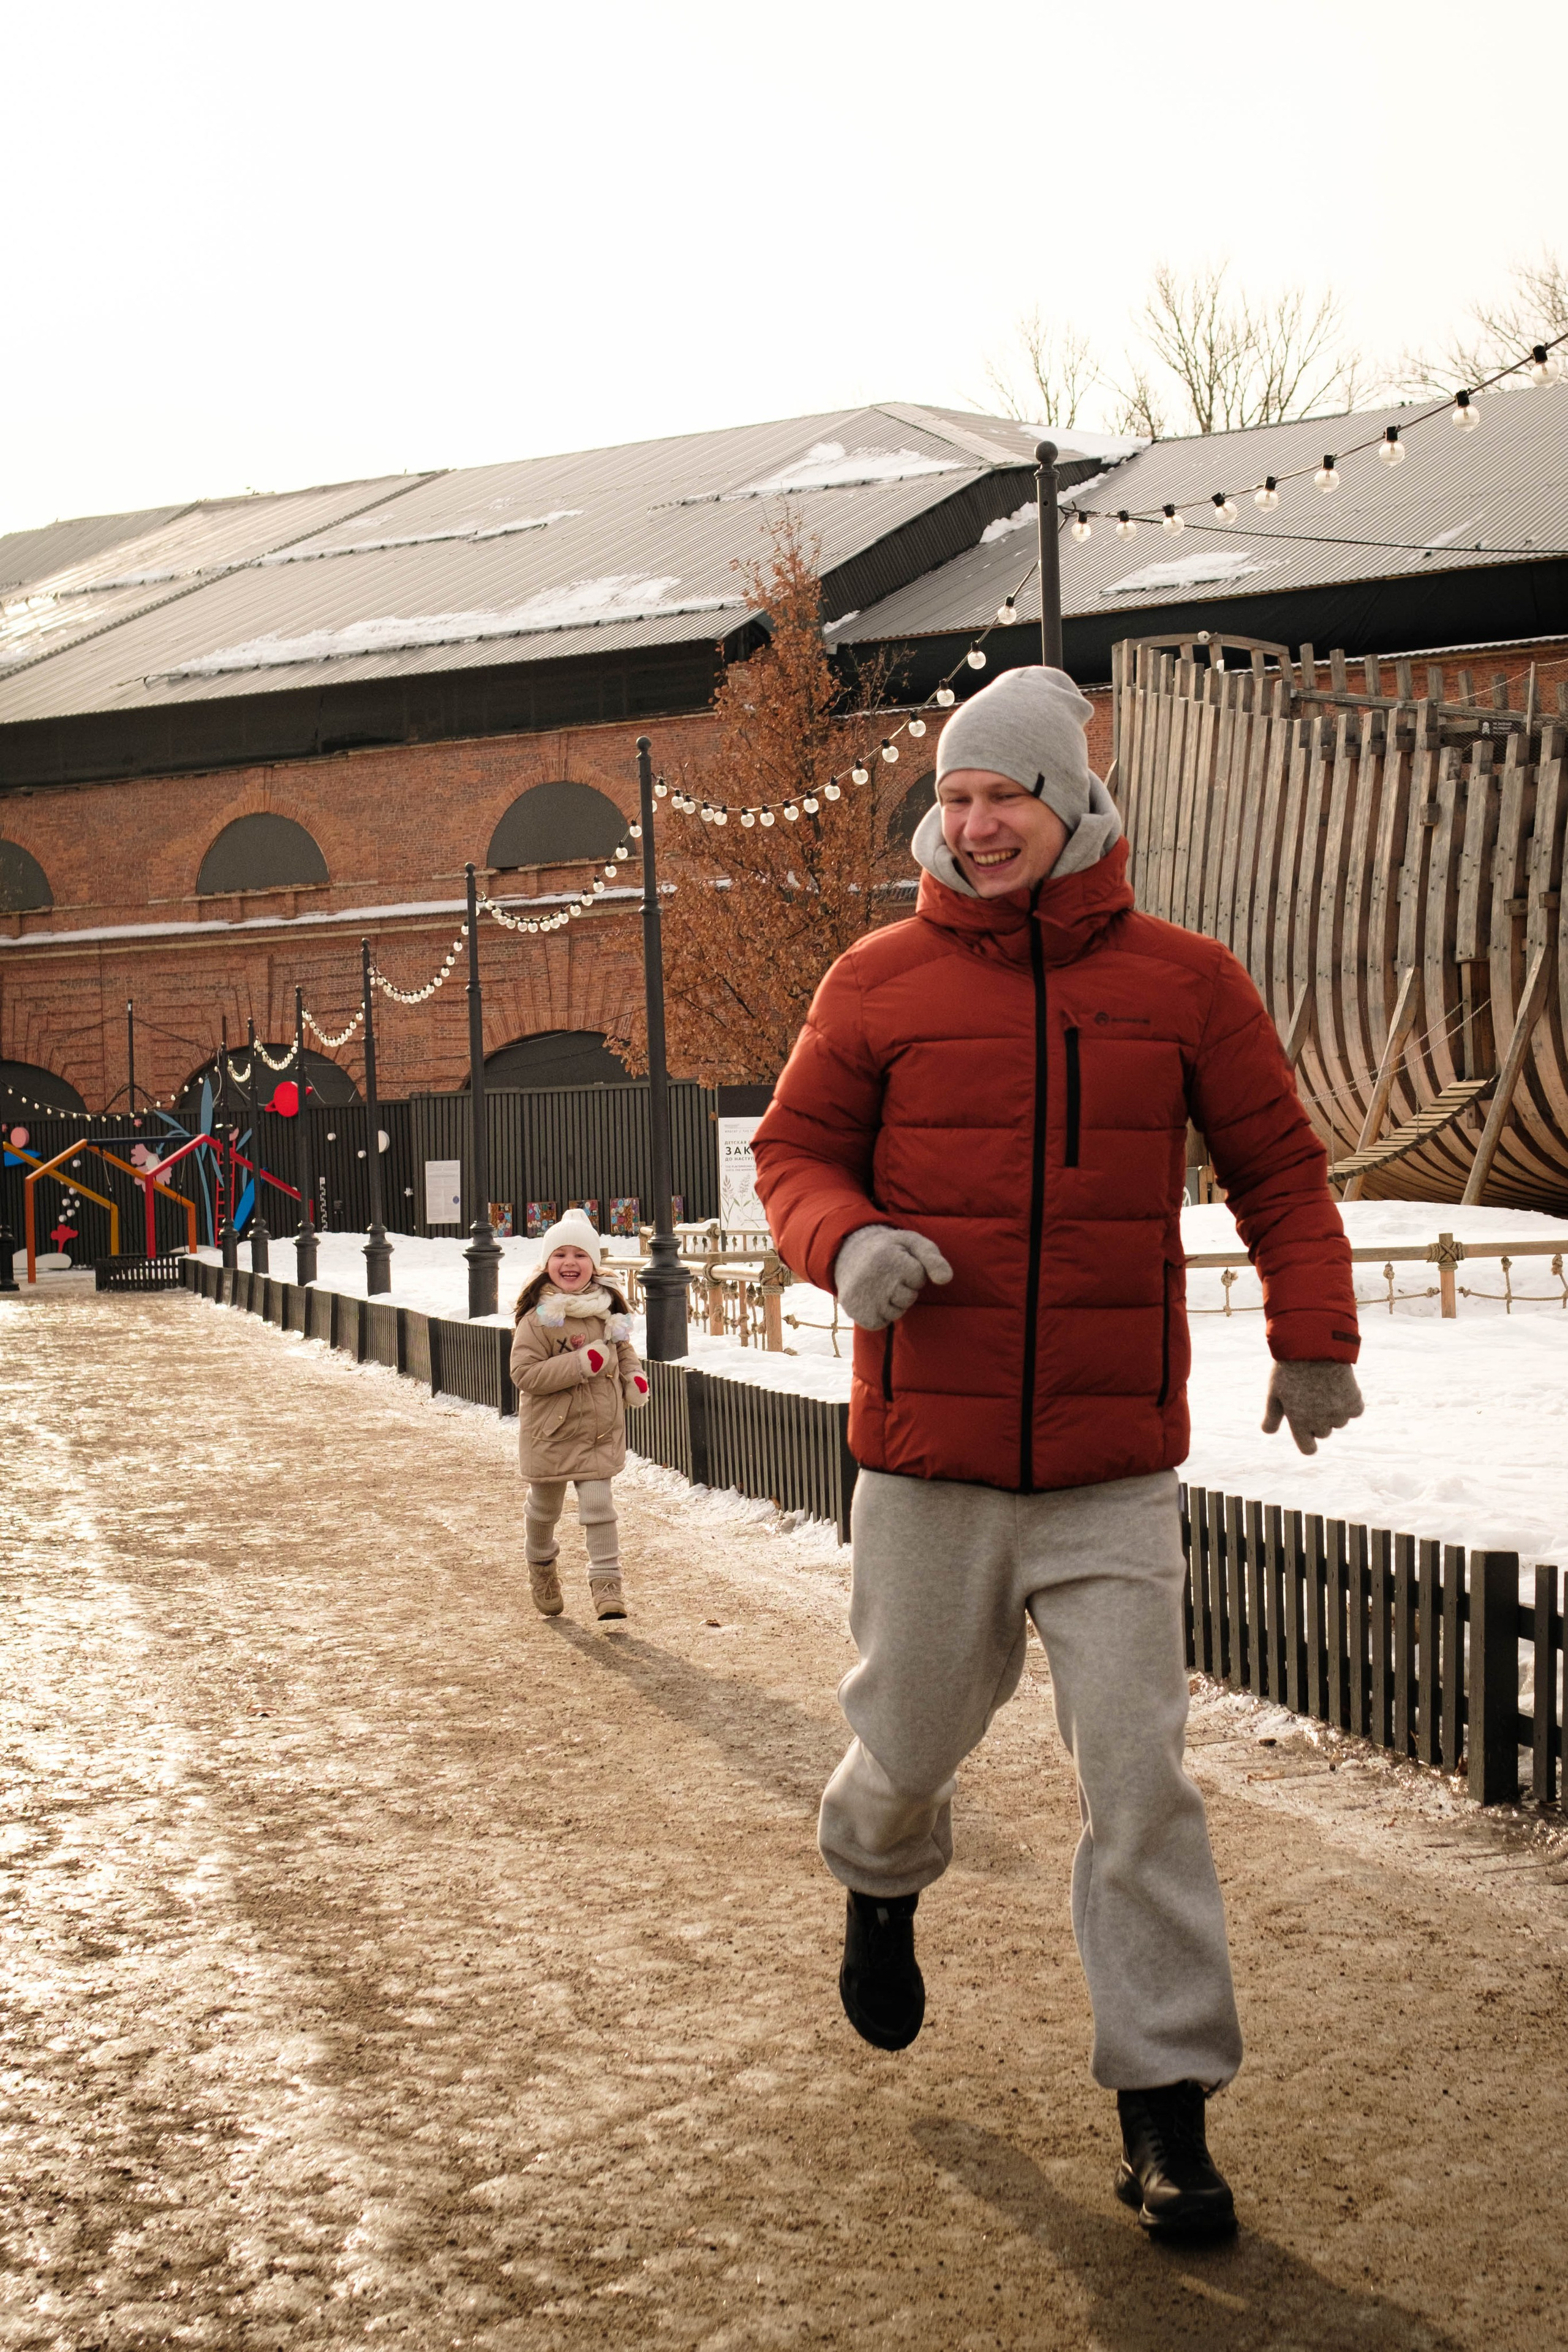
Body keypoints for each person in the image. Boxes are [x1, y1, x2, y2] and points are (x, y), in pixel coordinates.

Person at [752, 665, 1363, 2240]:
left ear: (1071, 805)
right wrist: (846, 1240)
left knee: (1140, 1779)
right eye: (952, 799)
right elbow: (792, 1152)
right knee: (901, 1744)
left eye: (1002, 795)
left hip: (1107, 1472)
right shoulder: (875, 981)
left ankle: (1163, 2109)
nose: (973, 823)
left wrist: (1313, 1337)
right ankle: (878, 1883)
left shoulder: (1183, 983)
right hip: (929, 1465)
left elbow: (1278, 1169)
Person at [510, 1209, 649, 1623]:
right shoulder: (538, 1320)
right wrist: (579, 1365)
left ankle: (607, 1584)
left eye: (580, 1255)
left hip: (597, 1430)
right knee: (545, 1508)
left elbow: (623, 1353)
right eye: (560, 1255)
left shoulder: (606, 1311)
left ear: (594, 1263)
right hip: (550, 1434)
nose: (570, 1263)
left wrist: (634, 1379)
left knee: (600, 1505)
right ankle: (542, 1568)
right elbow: (525, 1375)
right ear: (547, 1264)